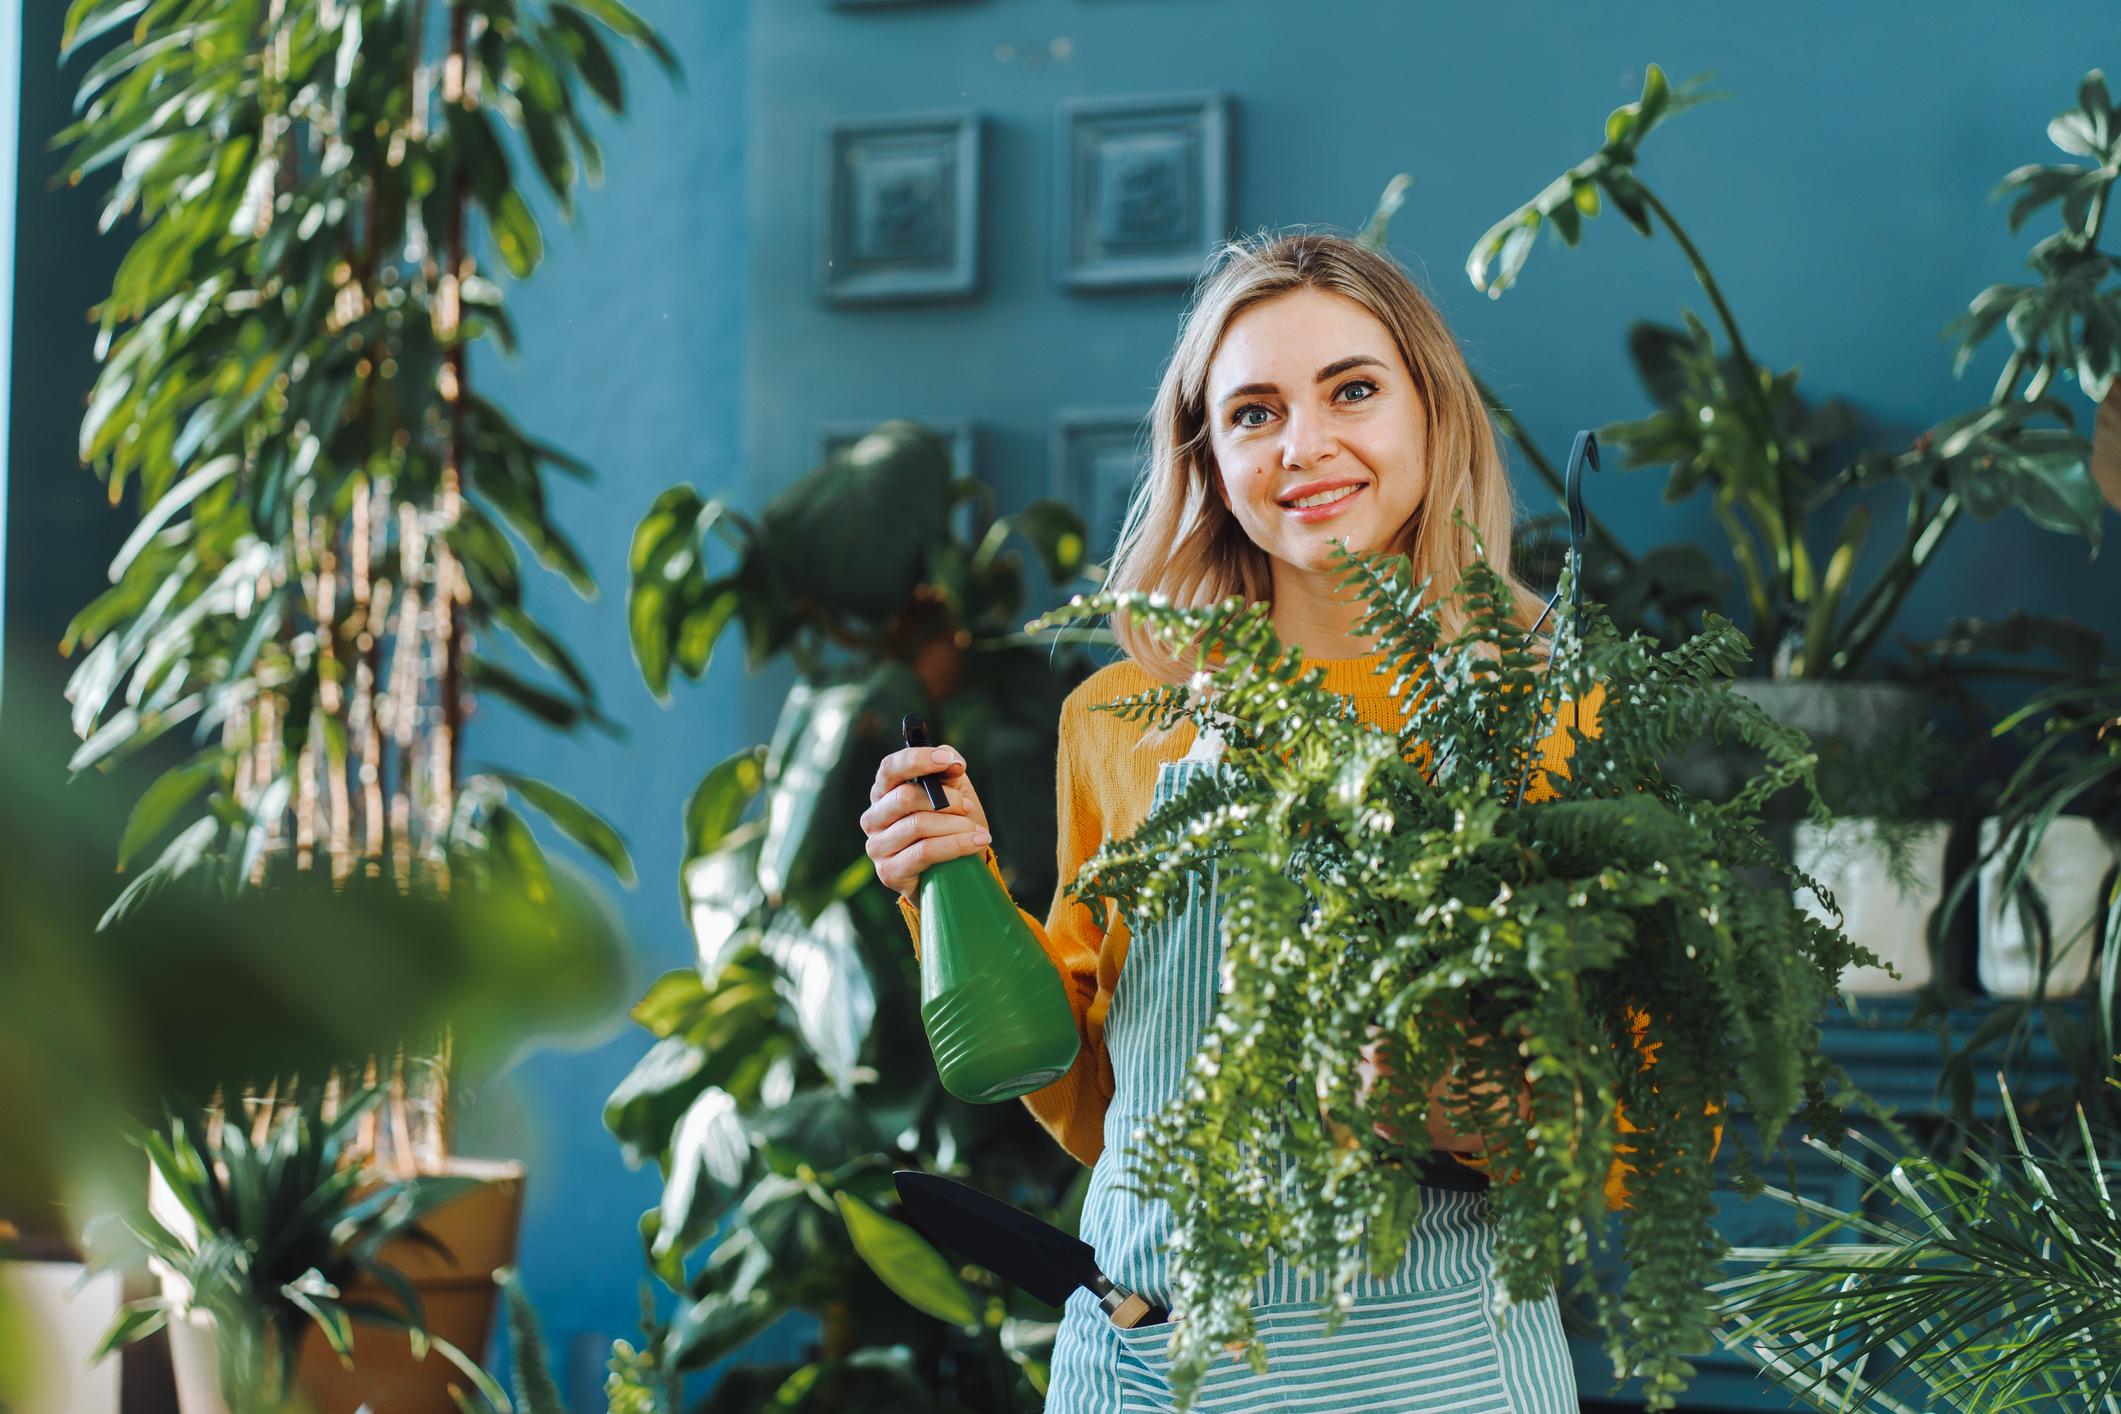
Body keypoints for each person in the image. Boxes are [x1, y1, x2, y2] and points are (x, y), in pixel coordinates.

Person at [862, 229, 1663, 1411]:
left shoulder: (1544, 706)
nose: (1307, 445)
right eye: (1253, 411)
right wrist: (951, 884)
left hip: (1436, 1368)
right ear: (1210, 455)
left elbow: (1645, 1107)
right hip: (1153, 1365)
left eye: (1352, 390)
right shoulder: (1127, 715)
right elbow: (1092, 1094)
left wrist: (1465, 1106)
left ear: (1431, 412)